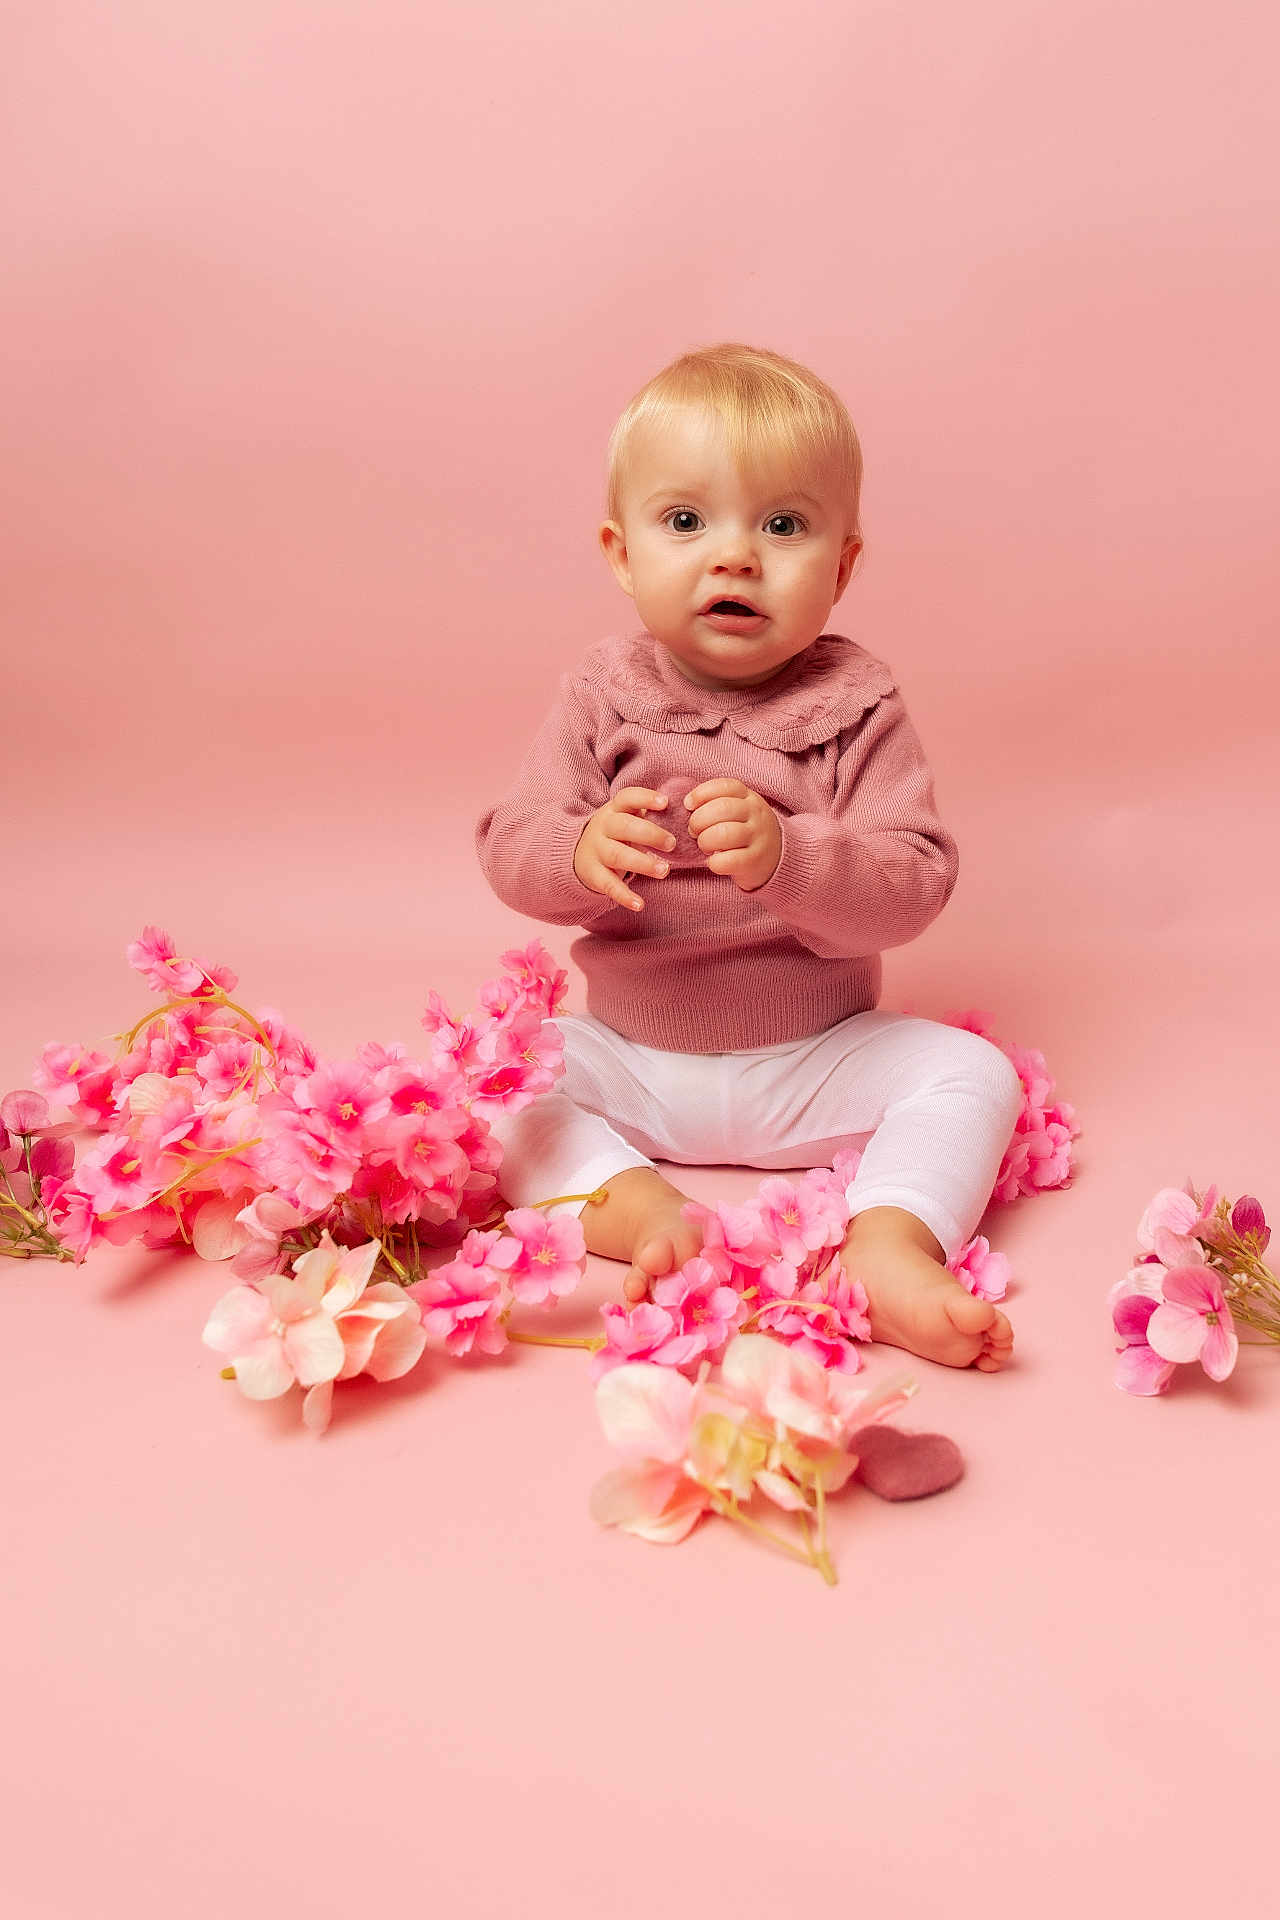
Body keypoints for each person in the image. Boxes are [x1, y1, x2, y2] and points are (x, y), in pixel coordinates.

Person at [474, 342, 1023, 1370]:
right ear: (622, 553)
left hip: (813, 1062)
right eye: (685, 522)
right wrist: (577, 848)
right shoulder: (600, 696)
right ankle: (639, 1212)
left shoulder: (853, 707)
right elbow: (508, 849)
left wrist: (793, 860)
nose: (733, 556)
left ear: (842, 565)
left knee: (969, 1074)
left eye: (781, 525)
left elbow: (912, 880)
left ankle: (886, 1245)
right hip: (630, 1061)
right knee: (491, 1084)